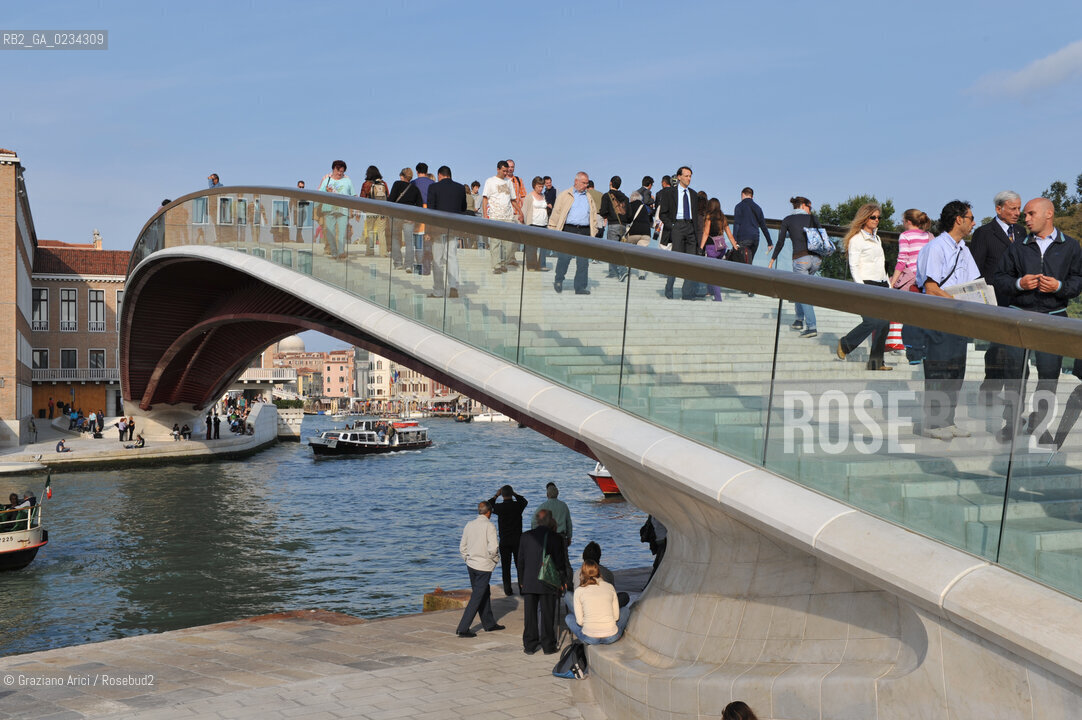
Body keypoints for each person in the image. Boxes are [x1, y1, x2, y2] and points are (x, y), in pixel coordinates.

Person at [993, 197, 1082, 443]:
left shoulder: (1072, 246)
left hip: (1054, 320)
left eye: (1031, 214)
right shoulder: (1017, 246)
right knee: (1014, 374)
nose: (1026, 218)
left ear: (1048, 214)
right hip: (1018, 318)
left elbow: (1078, 282)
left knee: (1049, 375)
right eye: (1026, 215)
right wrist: (1018, 283)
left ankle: (1040, 426)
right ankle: (1010, 424)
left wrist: (1060, 286)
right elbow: (999, 278)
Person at [915, 200, 982, 440]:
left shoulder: (963, 248)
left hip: (959, 319)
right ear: (958, 219)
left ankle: (948, 421)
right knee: (939, 370)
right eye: (971, 218)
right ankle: (934, 424)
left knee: (956, 371)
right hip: (939, 318)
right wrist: (959, 304)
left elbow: (973, 283)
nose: (974, 223)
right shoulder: (936, 247)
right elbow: (931, 288)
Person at [971, 191, 1024, 398]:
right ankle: (990, 387)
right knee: (997, 346)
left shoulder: (1022, 232)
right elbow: (976, 268)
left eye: (1019, 208)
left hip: (1019, 299)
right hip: (994, 298)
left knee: (1014, 347)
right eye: (1013, 208)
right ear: (999, 209)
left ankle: (1012, 393)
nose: (1017, 213)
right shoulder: (984, 233)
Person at [836, 203, 893, 371]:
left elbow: (881, 264)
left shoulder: (877, 238)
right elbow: (853, 266)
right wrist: (861, 288)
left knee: (884, 324)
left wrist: (888, 284)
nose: (877, 220)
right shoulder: (857, 240)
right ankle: (846, 343)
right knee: (872, 321)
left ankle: (876, 362)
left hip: (881, 284)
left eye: (878, 217)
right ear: (864, 218)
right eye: (873, 217)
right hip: (866, 285)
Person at [517, 509, 567, 655]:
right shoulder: (555, 538)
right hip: (547, 581)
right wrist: (563, 580)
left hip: (529, 581)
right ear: (551, 520)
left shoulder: (525, 536)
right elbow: (559, 562)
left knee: (530, 615)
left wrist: (521, 580)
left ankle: (530, 645)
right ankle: (548, 645)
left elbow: (520, 561)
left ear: (538, 520)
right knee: (547, 614)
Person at [891, 209, 935, 364]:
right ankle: (924, 349)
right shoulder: (929, 237)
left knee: (909, 316)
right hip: (928, 282)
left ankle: (913, 352)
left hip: (911, 282)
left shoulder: (905, 236)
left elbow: (902, 261)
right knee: (924, 316)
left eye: (903, 220)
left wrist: (892, 282)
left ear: (908, 221)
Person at [455, 501, 504, 637]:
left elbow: (462, 547)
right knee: (477, 596)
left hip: (471, 565)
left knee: (483, 593)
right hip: (483, 566)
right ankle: (463, 628)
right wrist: (494, 560)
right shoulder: (490, 526)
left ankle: (489, 623)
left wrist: (467, 559)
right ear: (489, 512)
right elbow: (493, 548)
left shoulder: (469, 525)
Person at [656, 166, 704, 300]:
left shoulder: (694, 194)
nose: (689, 178)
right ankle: (669, 288)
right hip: (676, 226)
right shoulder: (669, 192)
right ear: (679, 177)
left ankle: (687, 294)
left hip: (690, 228)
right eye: (686, 176)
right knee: (676, 260)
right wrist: (672, 226)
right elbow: (662, 214)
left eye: (690, 176)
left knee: (691, 262)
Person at [548, 172, 598, 295]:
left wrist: (594, 231)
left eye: (587, 183)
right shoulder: (565, 195)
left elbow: (593, 216)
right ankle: (558, 280)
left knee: (583, 262)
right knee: (564, 258)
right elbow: (556, 213)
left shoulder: (589, 197)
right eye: (584, 183)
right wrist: (552, 229)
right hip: (568, 230)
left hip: (585, 231)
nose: (586, 185)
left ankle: (580, 287)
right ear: (576, 181)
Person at [426, 165, 467, 299]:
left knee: (437, 260)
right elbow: (463, 208)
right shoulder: (460, 188)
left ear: (439, 175)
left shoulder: (433, 187)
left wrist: (428, 230)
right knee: (452, 257)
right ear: (450, 174)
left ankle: (438, 291)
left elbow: (430, 210)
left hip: (437, 228)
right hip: (453, 228)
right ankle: (454, 286)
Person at [564, 560, 629, 645]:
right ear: (599, 572)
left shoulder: (579, 591)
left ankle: (590, 631)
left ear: (582, 573)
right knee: (625, 610)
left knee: (569, 618)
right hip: (611, 637)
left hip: (591, 639)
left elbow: (580, 622)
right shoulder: (609, 587)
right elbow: (616, 617)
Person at [487, 485, 529, 595]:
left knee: (506, 567)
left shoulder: (499, 508)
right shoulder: (518, 505)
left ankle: (508, 590)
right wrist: (515, 494)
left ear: (502, 495)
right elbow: (525, 501)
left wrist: (496, 495)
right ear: (511, 494)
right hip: (517, 540)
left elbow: (488, 505)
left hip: (505, 540)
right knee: (519, 565)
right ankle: (522, 588)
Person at [482, 160, 518, 273]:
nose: (505, 173)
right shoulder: (490, 181)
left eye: (507, 171)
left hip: (508, 217)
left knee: (508, 244)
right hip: (495, 216)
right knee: (495, 242)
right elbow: (485, 199)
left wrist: (520, 212)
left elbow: (513, 199)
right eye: (503, 171)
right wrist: (485, 214)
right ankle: (496, 265)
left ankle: (503, 263)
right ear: (498, 169)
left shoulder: (509, 182)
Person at [700, 197, 738, 302]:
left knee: (712, 272)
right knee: (712, 269)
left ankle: (717, 297)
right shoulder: (723, 218)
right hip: (721, 247)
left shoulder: (709, 217)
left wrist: (701, 247)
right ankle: (710, 291)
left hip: (712, 247)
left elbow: (706, 233)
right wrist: (735, 246)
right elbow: (730, 235)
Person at [318, 160, 354, 259]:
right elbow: (319, 194)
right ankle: (333, 252)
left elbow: (353, 195)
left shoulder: (347, 181)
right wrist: (327, 191)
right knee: (330, 233)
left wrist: (354, 209)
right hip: (329, 209)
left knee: (342, 233)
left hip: (343, 210)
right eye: (338, 171)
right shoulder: (327, 180)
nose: (339, 173)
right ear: (333, 169)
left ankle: (341, 252)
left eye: (342, 171)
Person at [598, 176, 629, 280]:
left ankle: (618, 271)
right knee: (620, 250)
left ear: (610, 183)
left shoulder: (607, 196)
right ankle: (617, 271)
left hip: (613, 225)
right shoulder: (625, 197)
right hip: (623, 226)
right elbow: (629, 214)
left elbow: (603, 212)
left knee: (612, 250)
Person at [732, 187, 773, 264]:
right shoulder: (758, 208)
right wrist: (769, 242)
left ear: (742, 194)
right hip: (755, 240)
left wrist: (734, 240)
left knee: (741, 264)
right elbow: (763, 226)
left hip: (743, 238)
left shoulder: (739, 206)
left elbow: (737, 224)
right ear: (752, 196)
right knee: (748, 263)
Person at [522, 176, 551, 271]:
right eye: (539, 186)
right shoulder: (529, 196)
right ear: (534, 186)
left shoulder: (543, 196)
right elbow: (524, 211)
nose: (540, 188)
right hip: (533, 224)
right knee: (531, 247)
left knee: (544, 246)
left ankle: (542, 264)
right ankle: (531, 265)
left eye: (542, 186)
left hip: (543, 224)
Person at [360, 166, 390, 256]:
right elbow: (388, 196)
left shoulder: (366, 184)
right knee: (381, 232)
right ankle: (383, 253)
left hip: (370, 210)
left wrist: (363, 209)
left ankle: (370, 251)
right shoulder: (383, 184)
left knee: (370, 231)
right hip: (382, 211)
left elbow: (362, 197)